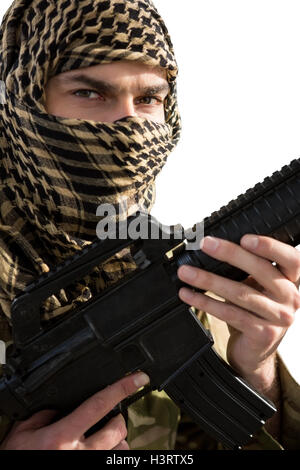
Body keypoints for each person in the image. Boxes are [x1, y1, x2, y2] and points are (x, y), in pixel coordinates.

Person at [0, 0, 299, 451]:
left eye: (148, 98)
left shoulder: (189, 285)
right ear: (24, 98)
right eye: (89, 93)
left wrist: (256, 372)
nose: (129, 123)